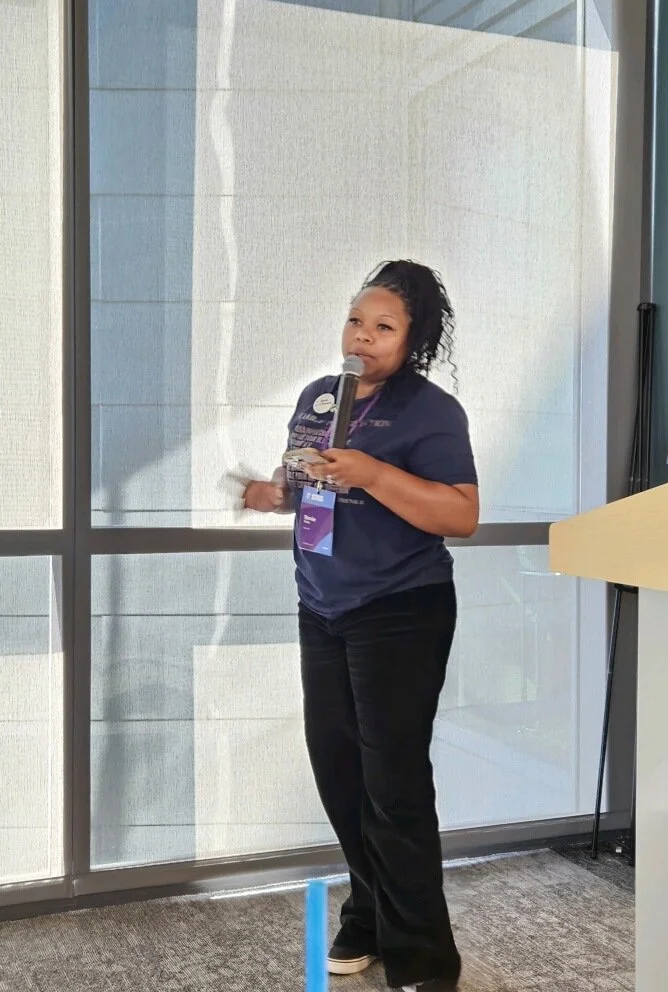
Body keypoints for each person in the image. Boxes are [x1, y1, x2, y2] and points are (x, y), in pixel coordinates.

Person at [244, 260, 479, 991]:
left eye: (383, 327)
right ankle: (370, 913)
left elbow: (461, 514)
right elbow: (306, 486)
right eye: (355, 321)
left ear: (412, 340)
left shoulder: (431, 412)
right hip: (323, 606)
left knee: (394, 785)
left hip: (401, 608)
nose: (363, 337)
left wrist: (372, 473)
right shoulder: (320, 396)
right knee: (340, 773)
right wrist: (272, 494)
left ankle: (425, 959)